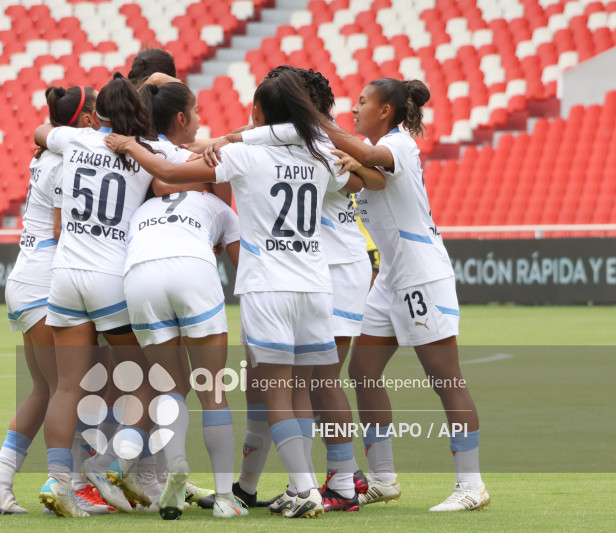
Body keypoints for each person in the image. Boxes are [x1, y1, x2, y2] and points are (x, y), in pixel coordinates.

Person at [105, 70, 372, 519]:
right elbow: (365, 182)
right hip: (315, 285)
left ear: (261, 113)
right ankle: (308, 483)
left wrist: (131, 144)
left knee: (275, 393)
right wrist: (357, 163)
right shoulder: (323, 155)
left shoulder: (246, 155)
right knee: (309, 388)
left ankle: (304, 488)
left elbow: (170, 171)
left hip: (268, 286)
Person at [31, 73, 194, 517]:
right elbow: (180, 169)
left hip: (65, 275)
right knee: (153, 378)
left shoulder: (76, 141)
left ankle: (59, 480)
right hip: (110, 278)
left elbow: (39, 131)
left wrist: (50, 139)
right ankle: (107, 465)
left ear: (97, 114)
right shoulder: (146, 154)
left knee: (67, 386)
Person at [328, 78, 489, 511]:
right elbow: (363, 174)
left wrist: (315, 124)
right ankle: (383, 478)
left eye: (363, 101)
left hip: (421, 277)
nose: (355, 106)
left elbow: (370, 159)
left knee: (445, 379)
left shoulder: (400, 144)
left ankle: (471, 486)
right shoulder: (366, 145)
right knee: (362, 371)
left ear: (386, 111)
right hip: (389, 279)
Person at [230, 66, 381, 513]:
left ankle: (333, 480)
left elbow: (372, 177)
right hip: (317, 269)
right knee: (281, 382)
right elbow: (369, 179)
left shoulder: (319, 142)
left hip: (323, 269)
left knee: (311, 381)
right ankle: (309, 480)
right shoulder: (312, 144)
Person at [0, 85, 110, 516]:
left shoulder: (48, 153)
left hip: (25, 279)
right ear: (87, 119)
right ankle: (64, 484)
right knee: (68, 390)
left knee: (47, 389)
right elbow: (59, 229)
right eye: (95, 112)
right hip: (43, 283)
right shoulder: (69, 159)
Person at [122, 81, 246, 519]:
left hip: (138, 271)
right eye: (195, 111)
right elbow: (244, 269)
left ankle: (174, 467)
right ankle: (226, 500)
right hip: (191, 265)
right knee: (212, 390)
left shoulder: (145, 199)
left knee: (169, 388)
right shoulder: (217, 207)